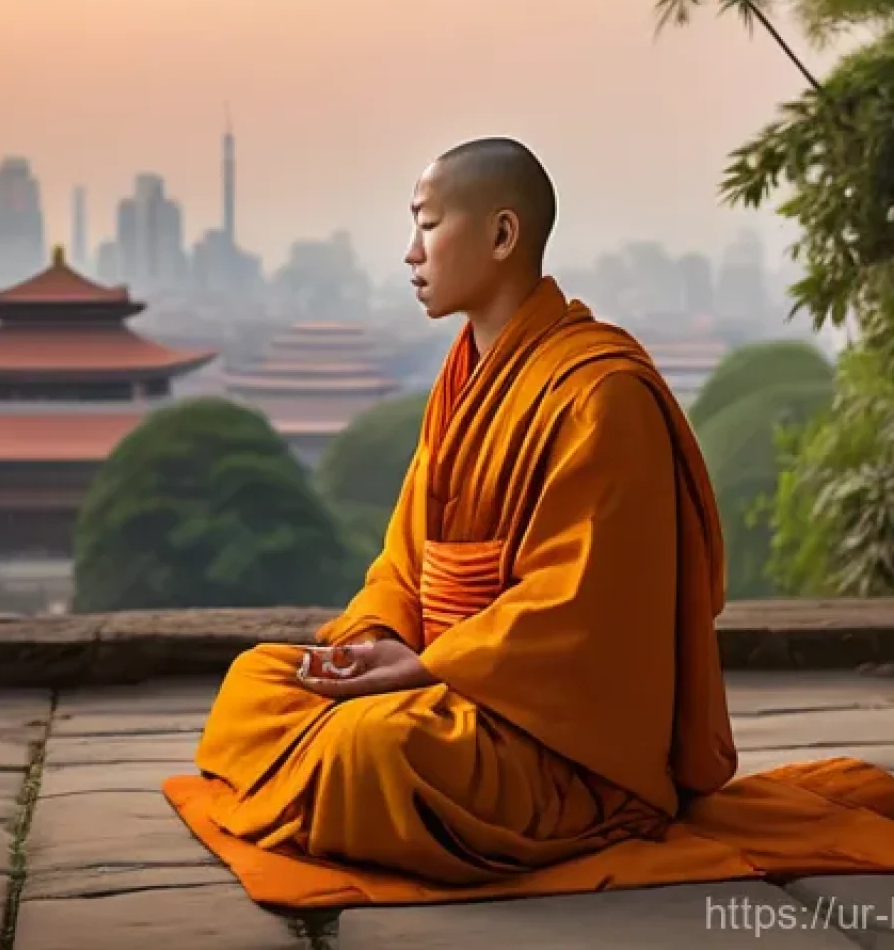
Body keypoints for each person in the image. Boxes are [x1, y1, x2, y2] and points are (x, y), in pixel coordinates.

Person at [164, 137, 894, 905]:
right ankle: (353, 775)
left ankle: (351, 787)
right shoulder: (460, 380)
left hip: (551, 737)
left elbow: (583, 607)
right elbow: (404, 562)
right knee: (255, 683)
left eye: (428, 225)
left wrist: (425, 669)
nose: (410, 254)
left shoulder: (600, 392)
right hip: (440, 681)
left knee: (369, 748)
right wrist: (377, 641)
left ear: (503, 235)